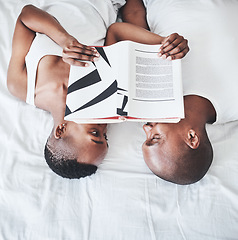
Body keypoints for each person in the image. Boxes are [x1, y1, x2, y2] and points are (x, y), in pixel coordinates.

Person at [7, 4, 113, 179]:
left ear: (60, 130)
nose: (105, 127)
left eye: (95, 133)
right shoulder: (103, 93)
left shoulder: (21, 85)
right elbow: (117, 31)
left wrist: (65, 40)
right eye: (106, 137)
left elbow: (25, 16)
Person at [118, 0, 216, 185]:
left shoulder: (150, 90)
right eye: (154, 138)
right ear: (192, 137)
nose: (145, 128)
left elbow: (132, 15)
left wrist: (159, 42)